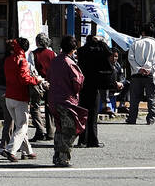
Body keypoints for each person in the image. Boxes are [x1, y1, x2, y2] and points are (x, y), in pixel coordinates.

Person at [46, 36, 85, 167]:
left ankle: (57, 156)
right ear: (73, 49)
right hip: (66, 100)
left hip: (53, 99)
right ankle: (63, 158)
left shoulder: (55, 61)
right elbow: (77, 82)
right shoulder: (70, 63)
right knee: (69, 129)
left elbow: (49, 76)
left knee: (59, 128)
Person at [1, 38, 41, 161]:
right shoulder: (22, 60)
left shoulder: (8, 60)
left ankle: (27, 151)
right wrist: (37, 80)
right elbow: (25, 79)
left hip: (9, 96)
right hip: (20, 97)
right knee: (22, 126)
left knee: (19, 125)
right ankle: (10, 150)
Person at [76, 34, 113, 148]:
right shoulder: (98, 51)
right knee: (93, 114)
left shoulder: (81, 51)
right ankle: (92, 140)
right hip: (95, 83)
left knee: (82, 113)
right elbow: (109, 52)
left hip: (83, 84)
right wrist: (101, 42)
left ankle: (82, 140)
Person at [127, 31, 155, 124]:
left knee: (134, 98)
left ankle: (132, 118)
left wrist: (138, 69)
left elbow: (131, 58)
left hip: (136, 74)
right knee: (151, 97)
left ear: (142, 32)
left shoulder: (135, 43)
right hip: (150, 74)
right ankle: (151, 119)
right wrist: (150, 69)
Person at [29, 34, 56, 141]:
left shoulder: (33, 54)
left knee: (35, 107)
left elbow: (32, 69)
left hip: (38, 83)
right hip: (51, 83)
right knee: (50, 108)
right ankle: (51, 132)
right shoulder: (53, 53)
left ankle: (40, 130)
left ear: (37, 42)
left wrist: (40, 80)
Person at [105, 49, 126, 114]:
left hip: (117, 85)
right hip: (108, 84)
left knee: (128, 83)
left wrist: (121, 83)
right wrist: (115, 82)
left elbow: (122, 76)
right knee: (105, 86)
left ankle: (121, 105)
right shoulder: (105, 64)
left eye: (116, 56)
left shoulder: (118, 65)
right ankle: (106, 106)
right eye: (112, 56)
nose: (114, 58)